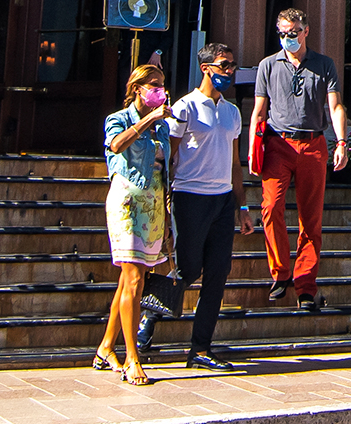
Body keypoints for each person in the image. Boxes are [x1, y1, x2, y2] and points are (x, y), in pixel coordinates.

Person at [153, 42, 255, 370]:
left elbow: (236, 164)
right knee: (188, 268)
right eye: (224, 65)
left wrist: (242, 207)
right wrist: (166, 198)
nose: (229, 71)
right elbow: (169, 154)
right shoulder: (185, 108)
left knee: (218, 273)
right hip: (189, 196)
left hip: (222, 199)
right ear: (206, 67)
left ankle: (200, 348)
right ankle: (149, 313)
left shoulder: (231, 111)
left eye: (233, 66)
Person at [249, 8, 346, 311]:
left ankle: (306, 284)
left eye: (292, 33)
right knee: (270, 206)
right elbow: (259, 110)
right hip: (278, 143)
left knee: (311, 218)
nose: (287, 38)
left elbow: (336, 105)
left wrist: (341, 141)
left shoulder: (324, 64)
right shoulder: (268, 65)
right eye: (282, 33)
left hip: (313, 143)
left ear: (305, 31)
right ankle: (280, 273)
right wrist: (252, 148)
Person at [95, 61, 173, 386]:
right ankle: (132, 358)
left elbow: (168, 167)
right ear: (137, 89)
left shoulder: (164, 127)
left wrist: (168, 212)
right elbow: (116, 145)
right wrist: (148, 120)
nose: (159, 90)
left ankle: (104, 349)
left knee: (134, 279)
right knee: (133, 280)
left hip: (154, 203)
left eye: (162, 84)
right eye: (152, 85)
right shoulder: (119, 119)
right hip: (127, 200)